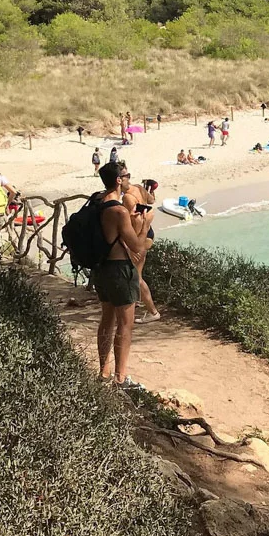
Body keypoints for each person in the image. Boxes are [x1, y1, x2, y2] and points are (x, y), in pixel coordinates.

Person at [92, 161, 148, 384]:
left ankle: (104, 372)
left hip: (101, 267)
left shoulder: (97, 202)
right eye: (127, 176)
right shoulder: (118, 211)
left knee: (107, 318)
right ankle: (120, 377)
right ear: (118, 180)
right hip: (119, 269)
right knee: (125, 324)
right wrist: (143, 223)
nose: (129, 180)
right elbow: (137, 246)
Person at [126, 178, 161, 321]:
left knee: (137, 277)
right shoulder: (139, 188)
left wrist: (130, 247)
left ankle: (153, 312)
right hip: (148, 233)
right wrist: (150, 190)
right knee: (136, 274)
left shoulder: (128, 198)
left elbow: (135, 222)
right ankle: (136, 301)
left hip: (140, 234)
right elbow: (151, 201)